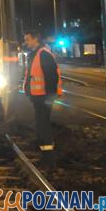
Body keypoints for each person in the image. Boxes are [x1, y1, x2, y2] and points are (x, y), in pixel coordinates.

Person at [22, 30, 63, 170]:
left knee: (43, 126)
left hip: (43, 97)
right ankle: (45, 156)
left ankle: (49, 160)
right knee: (40, 126)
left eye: (28, 39)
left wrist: (49, 98)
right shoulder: (36, 54)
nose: (25, 43)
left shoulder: (43, 54)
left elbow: (51, 78)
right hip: (38, 97)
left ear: (35, 39)